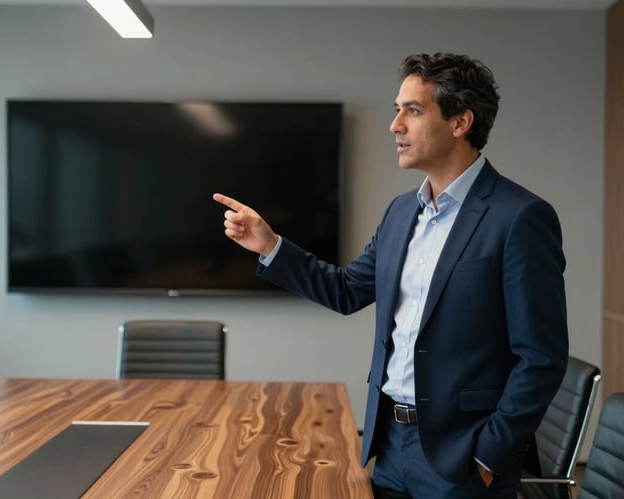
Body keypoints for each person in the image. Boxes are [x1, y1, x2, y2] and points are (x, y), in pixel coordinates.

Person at [213, 52, 568, 498]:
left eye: (412, 111)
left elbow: (541, 358)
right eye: (397, 110)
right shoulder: (401, 212)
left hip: (462, 457)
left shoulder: (520, 217)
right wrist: (270, 247)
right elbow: (346, 291)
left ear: (461, 122)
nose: (395, 125)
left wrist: (487, 457)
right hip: (389, 445)